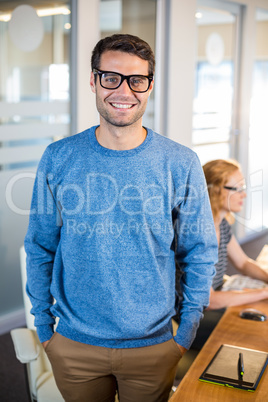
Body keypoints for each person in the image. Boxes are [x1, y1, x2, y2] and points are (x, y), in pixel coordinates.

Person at [24, 34, 218, 402]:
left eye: (136, 80)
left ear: (150, 86)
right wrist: (45, 327)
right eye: (111, 78)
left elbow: (200, 250)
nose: (123, 90)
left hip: (154, 345)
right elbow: (39, 245)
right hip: (74, 345)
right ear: (94, 81)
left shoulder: (180, 162)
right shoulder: (59, 157)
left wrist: (186, 333)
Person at [190, 159, 268, 350]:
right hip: (192, 317)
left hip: (218, 297)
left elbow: (242, 263)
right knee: (257, 332)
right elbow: (209, 300)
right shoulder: (196, 233)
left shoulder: (221, 223)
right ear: (215, 190)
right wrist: (265, 291)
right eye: (237, 188)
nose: (245, 194)